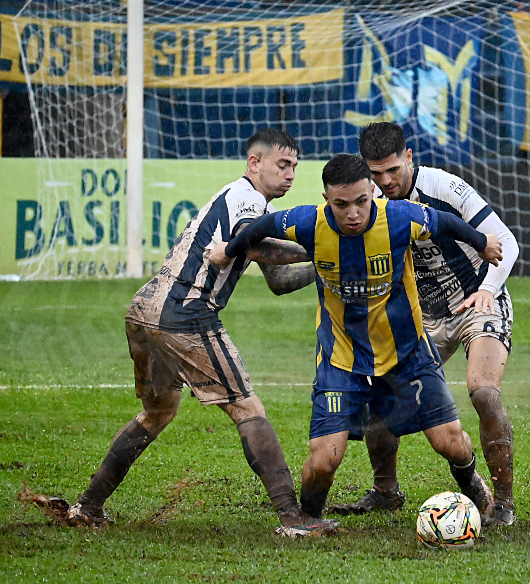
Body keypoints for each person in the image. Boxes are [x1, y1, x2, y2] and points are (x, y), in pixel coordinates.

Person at [22, 128, 336, 537]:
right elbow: (258, 249)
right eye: (282, 164)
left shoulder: (243, 202)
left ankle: (88, 506)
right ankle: (293, 519)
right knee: (248, 410)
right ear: (254, 163)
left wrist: (326, 267)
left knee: (156, 414)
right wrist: (326, 247)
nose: (291, 174)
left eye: (295, 166)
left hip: (145, 311)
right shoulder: (247, 199)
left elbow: (277, 280)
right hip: (184, 314)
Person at [210, 154, 505, 524]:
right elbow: (264, 224)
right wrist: (228, 250)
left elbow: (444, 221)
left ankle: (476, 491)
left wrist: (481, 242)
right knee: (324, 459)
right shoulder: (309, 222)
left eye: (361, 201)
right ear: (326, 199)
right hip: (341, 360)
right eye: (341, 204)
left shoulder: (399, 217)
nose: (353, 213)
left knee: (450, 442)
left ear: (372, 193)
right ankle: (308, 521)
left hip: (407, 353)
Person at [328, 121, 518, 526]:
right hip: (422, 318)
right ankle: (386, 491)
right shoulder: (366, 202)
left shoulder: (444, 187)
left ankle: (502, 504)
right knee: (380, 395)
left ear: (409, 157)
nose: (385, 181)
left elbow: (506, 240)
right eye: (376, 173)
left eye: (392, 170)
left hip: (477, 302)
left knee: (483, 392)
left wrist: (487, 289)